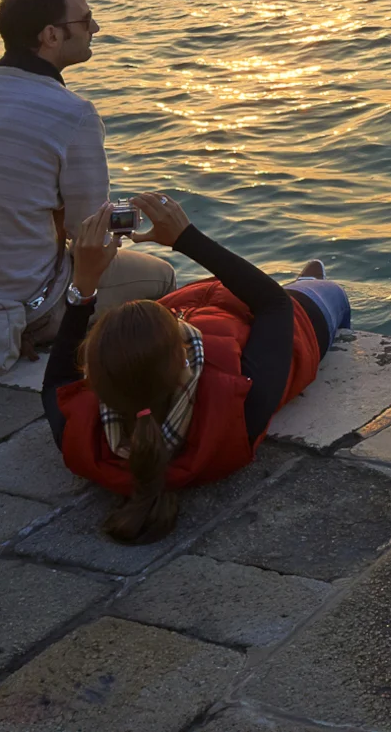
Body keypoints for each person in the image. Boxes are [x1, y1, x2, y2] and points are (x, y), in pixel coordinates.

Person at [43, 193, 354, 542]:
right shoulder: (237, 405)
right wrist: (185, 238)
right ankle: (310, 284)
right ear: (185, 365)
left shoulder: (81, 432)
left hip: (199, 304)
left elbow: (57, 380)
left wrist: (84, 284)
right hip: (286, 326)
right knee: (331, 294)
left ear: (96, 381)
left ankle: (303, 283)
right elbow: (273, 304)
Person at [0, 0, 174, 341]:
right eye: (85, 19)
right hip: (17, 312)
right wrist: (137, 227)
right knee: (161, 276)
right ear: (51, 35)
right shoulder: (73, 113)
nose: (95, 27)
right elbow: (90, 240)